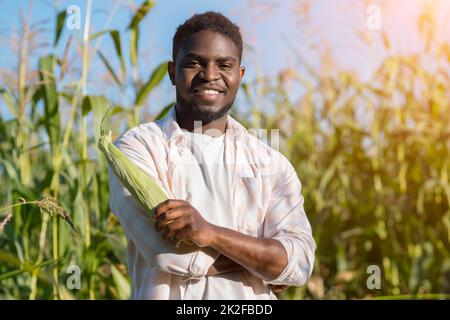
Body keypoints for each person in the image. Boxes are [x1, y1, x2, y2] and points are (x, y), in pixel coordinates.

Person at [108, 11, 316, 300]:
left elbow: (301, 261)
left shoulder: (271, 163)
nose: (209, 75)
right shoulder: (138, 148)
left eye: (224, 65)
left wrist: (211, 233)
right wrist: (265, 263)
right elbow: (168, 254)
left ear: (239, 75)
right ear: (172, 72)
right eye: (194, 63)